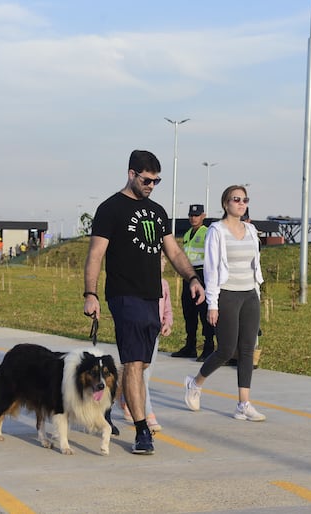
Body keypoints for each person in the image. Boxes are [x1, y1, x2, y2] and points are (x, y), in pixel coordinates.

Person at [83, 149, 205, 455]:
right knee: (135, 363)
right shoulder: (110, 209)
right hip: (124, 295)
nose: (151, 185)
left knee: (142, 364)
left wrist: (192, 279)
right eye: (147, 179)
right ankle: (142, 430)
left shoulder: (158, 211)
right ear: (131, 174)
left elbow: (174, 252)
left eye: (156, 181)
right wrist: (91, 293)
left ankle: (115, 401)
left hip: (152, 296)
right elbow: (96, 254)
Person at [184, 185, 266, 421]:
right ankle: (195, 383)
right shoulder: (216, 231)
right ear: (225, 204)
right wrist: (212, 304)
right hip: (227, 294)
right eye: (236, 199)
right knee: (226, 349)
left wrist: (257, 292)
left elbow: (255, 264)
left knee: (248, 350)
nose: (241, 203)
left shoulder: (251, 230)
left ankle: (244, 404)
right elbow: (210, 269)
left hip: (249, 294)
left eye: (244, 199)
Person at [119, 255, 172, 432]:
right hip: (138, 329)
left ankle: (127, 398)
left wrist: (167, 323)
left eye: (163, 261)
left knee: (143, 370)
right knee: (144, 375)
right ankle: (148, 415)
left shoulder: (164, 284)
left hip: (154, 332)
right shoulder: (139, 282)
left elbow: (167, 308)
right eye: (157, 261)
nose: (161, 264)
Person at [172, 204, 215, 361]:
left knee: (204, 312)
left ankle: (209, 346)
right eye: (191, 215)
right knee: (188, 312)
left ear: (203, 216)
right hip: (189, 274)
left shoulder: (207, 232)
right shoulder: (188, 233)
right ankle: (190, 346)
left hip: (203, 273)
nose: (193, 218)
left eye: (196, 215)